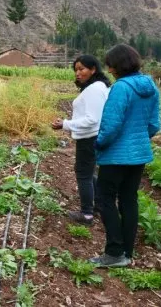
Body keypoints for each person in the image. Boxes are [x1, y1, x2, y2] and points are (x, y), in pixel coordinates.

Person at [89, 44, 161, 267]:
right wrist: (138, 140)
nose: (109, 69)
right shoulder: (151, 87)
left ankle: (113, 253)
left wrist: (99, 143)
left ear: (117, 65)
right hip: (138, 156)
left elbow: (111, 126)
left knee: (104, 199)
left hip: (116, 156)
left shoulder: (121, 88)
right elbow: (154, 125)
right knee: (129, 200)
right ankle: (126, 253)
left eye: (110, 65)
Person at [52, 55, 110, 226]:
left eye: (82, 69)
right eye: (76, 70)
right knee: (90, 172)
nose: (78, 73)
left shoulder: (94, 89)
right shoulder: (98, 87)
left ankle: (86, 214)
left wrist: (65, 124)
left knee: (83, 174)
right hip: (92, 136)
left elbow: (92, 119)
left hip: (89, 137)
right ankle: (99, 205)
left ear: (93, 69)